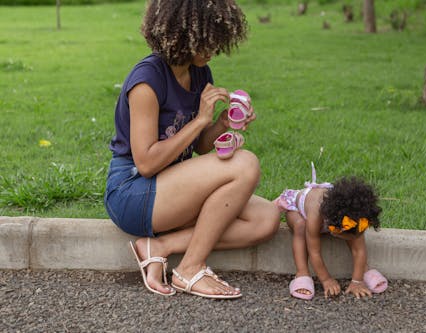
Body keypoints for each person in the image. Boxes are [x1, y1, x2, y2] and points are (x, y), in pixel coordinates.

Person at [104, 0, 280, 299]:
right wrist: (200, 120)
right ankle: (190, 268)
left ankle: (160, 247)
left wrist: (220, 123)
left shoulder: (200, 73)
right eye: (206, 40)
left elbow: (198, 148)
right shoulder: (147, 82)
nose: (213, 48)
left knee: (267, 219)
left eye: (216, 39)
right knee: (245, 164)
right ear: (184, 35)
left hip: (170, 189)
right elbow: (146, 163)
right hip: (133, 191)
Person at [274, 162, 387, 300]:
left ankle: (363, 271)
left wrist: (357, 282)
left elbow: (359, 249)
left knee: (355, 236)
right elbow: (314, 252)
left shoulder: (354, 214)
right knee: (300, 227)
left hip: (335, 218)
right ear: (335, 230)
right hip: (297, 210)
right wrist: (326, 279)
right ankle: (302, 273)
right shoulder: (315, 215)